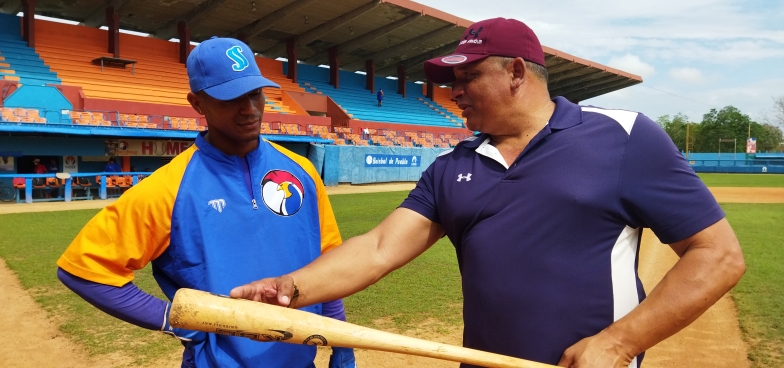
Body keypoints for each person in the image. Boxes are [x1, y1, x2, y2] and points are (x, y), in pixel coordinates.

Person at [230, 18, 746, 368]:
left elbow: (718, 256)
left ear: (517, 73)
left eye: (468, 76)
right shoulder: (452, 166)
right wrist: (288, 289)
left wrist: (619, 343)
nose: (453, 92)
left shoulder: (625, 137)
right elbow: (380, 247)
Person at [56, 37, 356, 368]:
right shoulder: (168, 188)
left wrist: (340, 339)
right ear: (197, 103)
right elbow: (83, 270)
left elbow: (327, 262)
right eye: (231, 98)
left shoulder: (303, 172)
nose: (249, 109)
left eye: (255, 94)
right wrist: (175, 320)